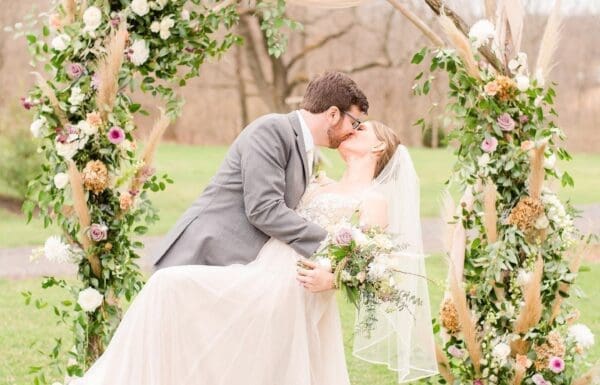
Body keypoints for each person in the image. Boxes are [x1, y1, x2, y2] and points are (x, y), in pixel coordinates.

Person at [70, 120, 439, 385]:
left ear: (377, 147)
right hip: (259, 273)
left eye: (361, 129)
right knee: (167, 287)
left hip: (296, 290)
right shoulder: (318, 185)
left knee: (174, 291)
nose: (349, 129)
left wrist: (333, 277)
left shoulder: (372, 200)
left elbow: (376, 266)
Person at [152, 71, 368, 269]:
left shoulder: (303, 147)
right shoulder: (273, 130)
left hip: (230, 266)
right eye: (355, 122)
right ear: (332, 114)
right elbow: (264, 208)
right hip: (201, 257)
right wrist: (331, 242)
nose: (354, 131)